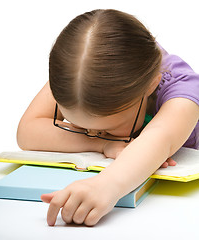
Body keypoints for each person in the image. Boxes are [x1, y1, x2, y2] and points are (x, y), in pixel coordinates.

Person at [17, 9, 199, 226]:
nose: (91, 132)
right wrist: (102, 142)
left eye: (108, 128)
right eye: (81, 125)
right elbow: (27, 130)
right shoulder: (82, 75)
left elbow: (159, 139)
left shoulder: (184, 91)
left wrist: (104, 186)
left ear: (150, 86)